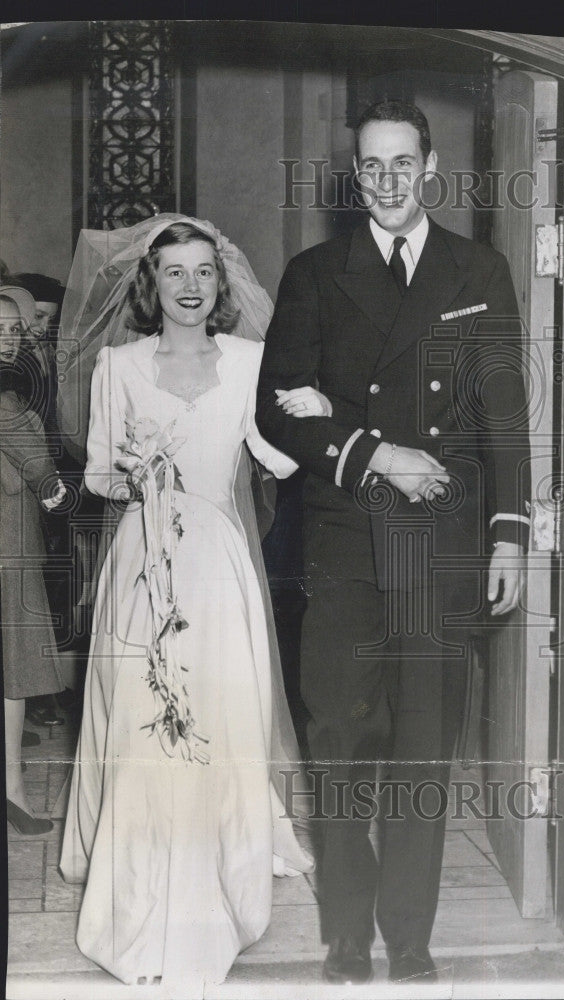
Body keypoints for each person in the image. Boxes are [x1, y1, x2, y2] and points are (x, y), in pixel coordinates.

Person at [256, 100, 531, 984]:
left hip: (442, 540)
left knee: (422, 741)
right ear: (354, 175)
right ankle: (345, 930)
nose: (385, 181)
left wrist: (508, 532)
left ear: (430, 166)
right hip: (343, 543)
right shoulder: (312, 273)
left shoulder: (478, 268)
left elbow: (503, 420)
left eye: (400, 163)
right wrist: (373, 448)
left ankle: (409, 936)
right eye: (369, 167)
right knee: (336, 735)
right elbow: (276, 406)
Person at [58, 215, 313, 994]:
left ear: (221, 282)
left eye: (204, 271)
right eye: (174, 272)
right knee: (143, 714)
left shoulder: (249, 361)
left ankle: (217, 887)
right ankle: (137, 891)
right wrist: (134, 475)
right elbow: (99, 472)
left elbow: (279, 457)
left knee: (219, 714)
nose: (191, 286)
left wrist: (311, 402)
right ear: (151, 284)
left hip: (217, 564)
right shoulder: (117, 364)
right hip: (141, 561)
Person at [0, 285, 66, 835]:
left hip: (11, 543)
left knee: (14, 672)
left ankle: (12, 790)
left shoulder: (18, 391)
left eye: (13, 329)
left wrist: (52, 488)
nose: (6, 337)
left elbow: (38, 461)